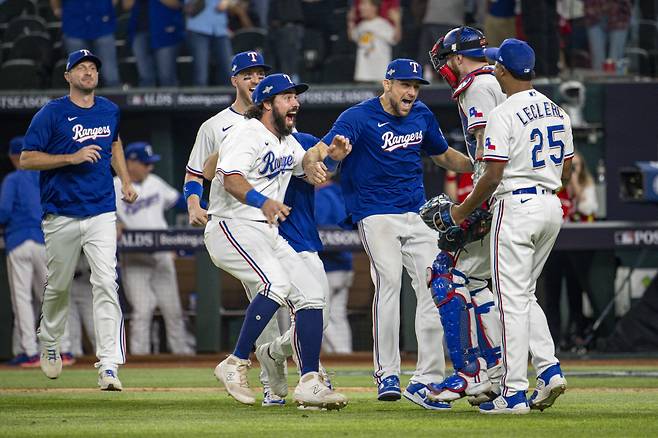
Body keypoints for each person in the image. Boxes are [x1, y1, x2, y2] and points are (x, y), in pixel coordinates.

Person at [318, 58, 473, 410]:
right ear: (387, 84)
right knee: (388, 282)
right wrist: (329, 159)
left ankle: (427, 379)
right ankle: (387, 372)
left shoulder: (421, 115)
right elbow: (325, 154)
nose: (411, 91)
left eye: (416, 86)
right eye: (405, 84)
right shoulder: (356, 117)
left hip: (416, 212)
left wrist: (479, 164)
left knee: (436, 287)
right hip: (375, 213)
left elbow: (443, 155)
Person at [205, 73, 350, 409]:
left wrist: (330, 156)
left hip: (265, 231)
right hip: (231, 224)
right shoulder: (247, 132)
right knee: (275, 284)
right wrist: (263, 202)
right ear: (267, 103)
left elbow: (306, 162)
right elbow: (230, 179)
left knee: (312, 299)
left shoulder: (286, 140)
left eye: (296, 97)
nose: (295, 103)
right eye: (287, 97)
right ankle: (235, 362)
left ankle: (310, 382)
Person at [450, 38, 573, 414]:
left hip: (516, 204)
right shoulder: (558, 110)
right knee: (524, 294)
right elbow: (566, 170)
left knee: (509, 301)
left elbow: (493, 173)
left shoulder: (503, 113)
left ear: (502, 69)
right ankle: (549, 369)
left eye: (496, 65)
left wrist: (462, 209)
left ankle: (514, 393)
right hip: (551, 204)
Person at [20, 49, 138, 391]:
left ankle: (109, 364)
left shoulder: (109, 109)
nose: (88, 72)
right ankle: (51, 339)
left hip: (101, 210)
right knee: (58, 285)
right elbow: (27, 159)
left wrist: (126, 182)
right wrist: (71, 157)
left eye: (92, 68)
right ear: (68, 76)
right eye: (81, 68)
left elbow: (115, 142)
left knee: (106, 283)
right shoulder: (51, 113)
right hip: (61, 212)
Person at [426, 26, 507, 405]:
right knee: (478, 284)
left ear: (458, 57)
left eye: (447, 59)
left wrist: (468, 208)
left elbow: (491, 156)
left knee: (444, 276)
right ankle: (495, 369)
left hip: (494, 194)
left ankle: (468, 374)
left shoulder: (476, 86)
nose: (445, 67)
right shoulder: (497, 80)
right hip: (507, 195)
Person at [115, 142, 194, 355]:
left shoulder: (155, 182)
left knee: (173, 310)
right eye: (145, 163)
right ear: (130, 162)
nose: (149, 168)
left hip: (161, 253)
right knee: (143, 310)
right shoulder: (115, 185)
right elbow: (100, 213)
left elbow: (180, 201)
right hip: (134, 257)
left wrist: (205, 207)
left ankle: (183, 357)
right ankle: (140, 360)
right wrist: (114, 221)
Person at [184, 50, 271, 228]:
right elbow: (195, 174)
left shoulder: (277, 121)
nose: (255, 81)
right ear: (234, 81)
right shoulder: (213, 126)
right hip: (232, 219)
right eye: (247, 76)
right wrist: (193, 206)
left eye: (261, 76)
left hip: (272, 218)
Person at [1, 137, 47, 368]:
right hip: (44, 241)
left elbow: (3, 211)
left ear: (12, 156)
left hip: (19, 240)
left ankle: (29, 351)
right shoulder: (44, 176)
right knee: (49, 298)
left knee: (22, 299)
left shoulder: (13, 178)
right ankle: (61, 349)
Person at [316, 178, 354, 354]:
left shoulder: (322, 196)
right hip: (345, 266)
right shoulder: (340, 192)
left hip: (329, 267)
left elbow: (320, 232)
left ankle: (339, 355)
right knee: (337, 315)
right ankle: (346, 357)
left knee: (319, 314)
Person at [51, 0, 121, 87]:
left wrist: (106, 6)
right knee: (79, 77)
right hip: (74, 26)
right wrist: (57, 9)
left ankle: (113, 98)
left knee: (110, 76)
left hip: (102, 26)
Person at [123, 0, 186, 87]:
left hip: (166, 31)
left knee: (166, 77)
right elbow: (126, 5)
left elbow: (177, 4)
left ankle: (170, 100)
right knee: (146, 77)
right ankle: (147, 100)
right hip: (139, 32)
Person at [185, 0, 233, 86]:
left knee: (229, 71)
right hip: (198, 27)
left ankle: (232, 99)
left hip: (220, 29)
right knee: (201, 74)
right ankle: (199, 99)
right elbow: (189, 6)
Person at [351, 0, 395, 83]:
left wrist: (397, 21)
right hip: (363, 74)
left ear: (374, 7)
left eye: (364, 4)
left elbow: (394, 39)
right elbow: (353, 37)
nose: (360, 7)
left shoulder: (383, 24)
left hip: (380, 74)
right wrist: (350, 21)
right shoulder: (361, 25)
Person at [68, 253, 96, 357]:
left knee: (96, 330)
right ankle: (75, 369)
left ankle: (106, 365)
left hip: (88, 282)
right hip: (67, 283)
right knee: (71, 334)